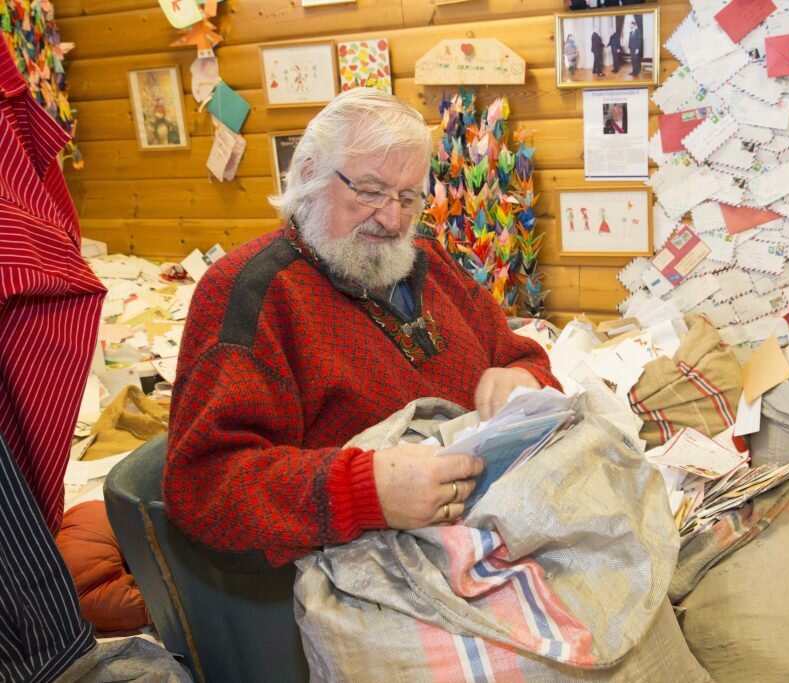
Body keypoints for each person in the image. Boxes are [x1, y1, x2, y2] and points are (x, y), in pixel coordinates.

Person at [163, 88, 561, 570]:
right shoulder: (251, 292)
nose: (393, 219)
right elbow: (204, 487)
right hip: (373, 579)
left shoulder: (427, 261)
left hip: (486, 528)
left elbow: (516, 352)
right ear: (309, 173)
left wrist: (524, 378)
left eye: (408, 197)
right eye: (369, 191)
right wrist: (366, 492)